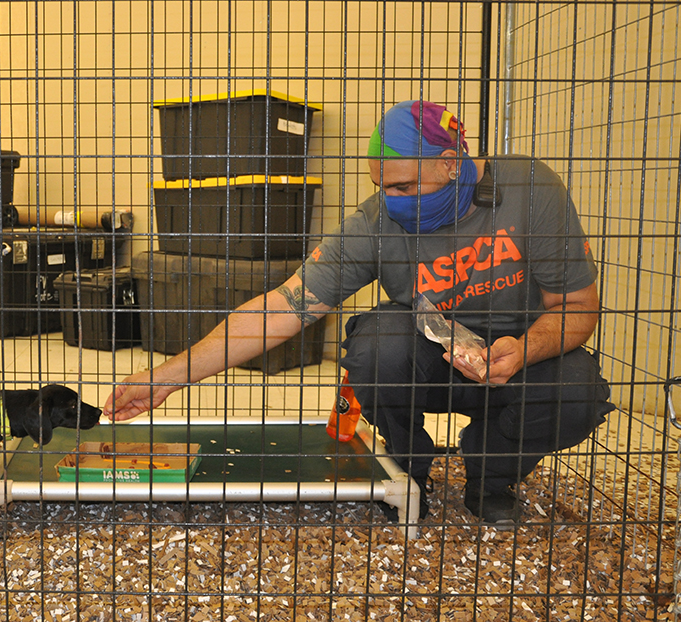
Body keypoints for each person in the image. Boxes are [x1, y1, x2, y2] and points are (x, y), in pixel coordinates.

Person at [104, 99, 615, 525]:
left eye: (403, 187)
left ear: (450, 162)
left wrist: (522, 351)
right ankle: (407, 467)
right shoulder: (377, 222)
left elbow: (578, 307)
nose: (390, 201)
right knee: (374, 346)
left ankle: (492, 474)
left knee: (579, 391)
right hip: (430, 359)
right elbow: (283, 306)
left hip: (519, 358)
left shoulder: (531, 190)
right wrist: (167, 376)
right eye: (381, 187)